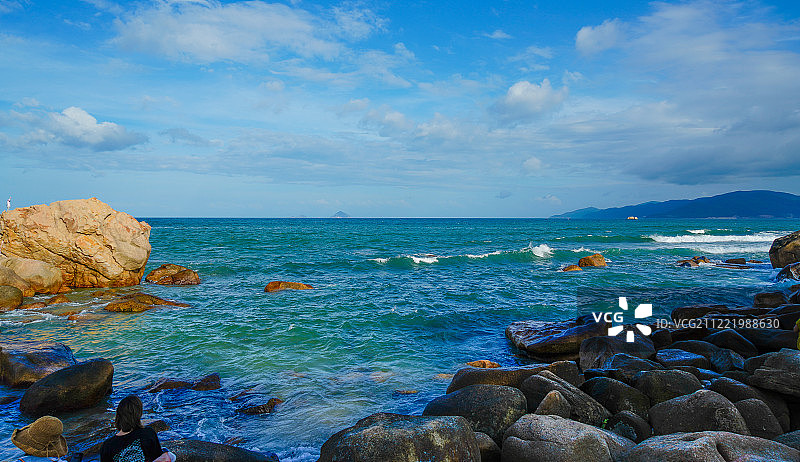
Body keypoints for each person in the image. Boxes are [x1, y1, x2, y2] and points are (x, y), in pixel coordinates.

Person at [100, 395, 176, 462]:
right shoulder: (147, 433)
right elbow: (156, 456)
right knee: (170, 456)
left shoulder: (107, 445)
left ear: (119, 415)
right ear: (138, 415)